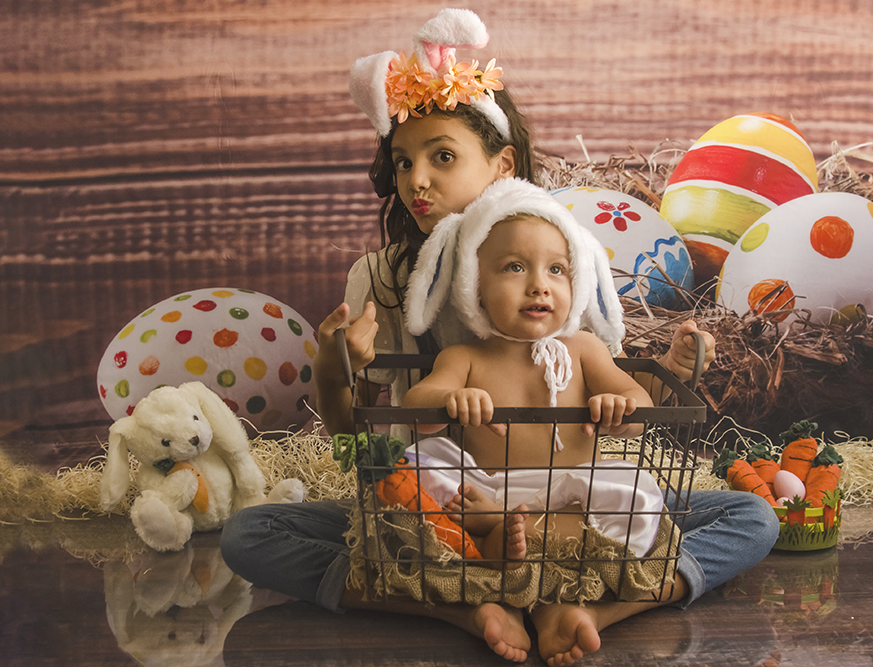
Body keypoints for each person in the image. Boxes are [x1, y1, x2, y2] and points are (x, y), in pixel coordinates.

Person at [220, 9, 779, 667]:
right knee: (250, 534)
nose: (417, 181)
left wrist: (659, 376)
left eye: (443, 157)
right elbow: (354, 434)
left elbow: (616, 392)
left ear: (501, 163)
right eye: (403, 162)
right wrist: (336, 362)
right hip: (438, 505)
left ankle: (588, 603)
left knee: (753, 517)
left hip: (567, 492)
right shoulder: (381, 280)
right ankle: (465, 603)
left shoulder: (553, 252)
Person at [399, 177, 667, 574]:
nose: (539, 285)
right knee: (416, 466)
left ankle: (504, 532)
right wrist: (449, 400)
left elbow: (638, 404)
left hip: (572, 492)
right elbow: (417, 409)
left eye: (556, 269)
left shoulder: (584, 349)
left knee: (637, 495)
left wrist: (620, 407)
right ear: (475, 286)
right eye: (515, 267)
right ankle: (506, 530)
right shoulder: (466, 357)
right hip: (484, 488)